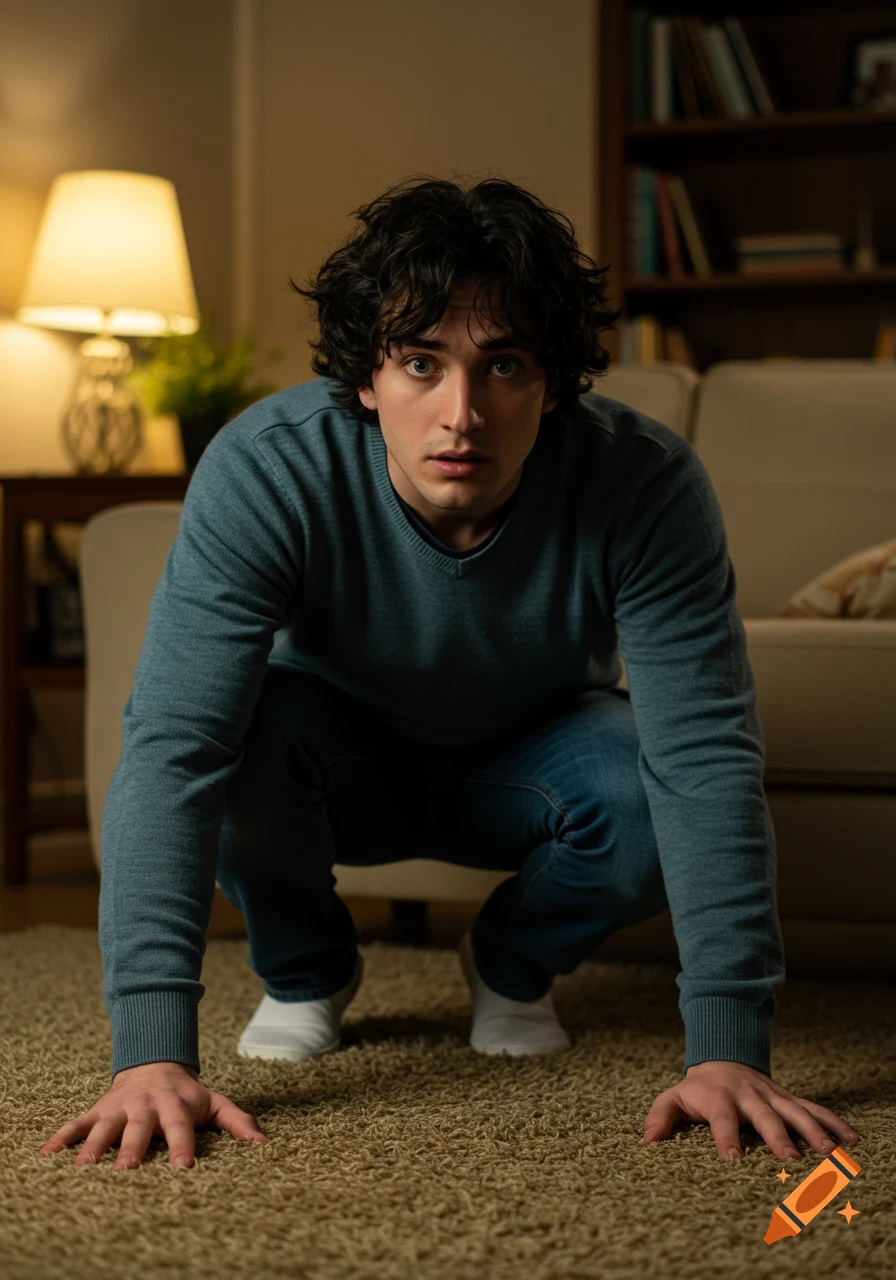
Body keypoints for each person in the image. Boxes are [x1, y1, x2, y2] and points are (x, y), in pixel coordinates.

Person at [40, 174, 862, 1173]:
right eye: (420, 363)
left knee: (643, 782)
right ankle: (306, 970)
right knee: (232, 737)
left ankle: (508, 963)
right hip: (327, 757)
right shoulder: (267, 466)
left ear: (554, 382)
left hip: (536, 759)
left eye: (502, 364)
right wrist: (149, 1055)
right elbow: (173, 746)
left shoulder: (642, 482)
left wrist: (730, 1047)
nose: (460, 413)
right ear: (363, 378)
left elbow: (702, 753)